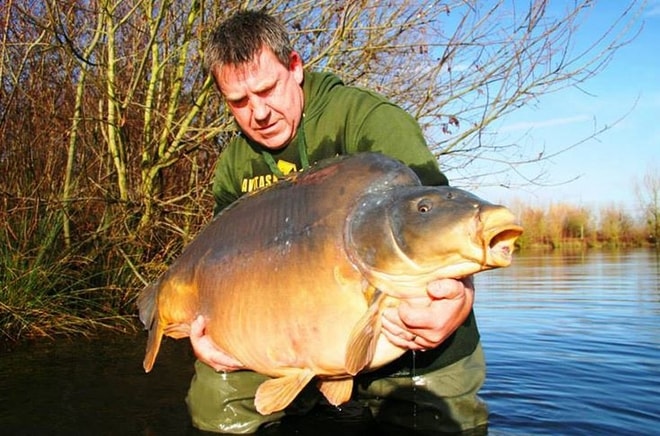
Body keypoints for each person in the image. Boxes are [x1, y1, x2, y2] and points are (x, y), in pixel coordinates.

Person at [185, 9, 488, 435]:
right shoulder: (235, 163)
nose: (259, 113)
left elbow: (436, 219)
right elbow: (219, 267)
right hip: (294, 331)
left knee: (439, 418)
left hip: (406, 331)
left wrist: (459, 295)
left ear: (295, 67)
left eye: (267, 89)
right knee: (215, 402)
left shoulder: (370, 121)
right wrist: (209, 332)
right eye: (239, 102)